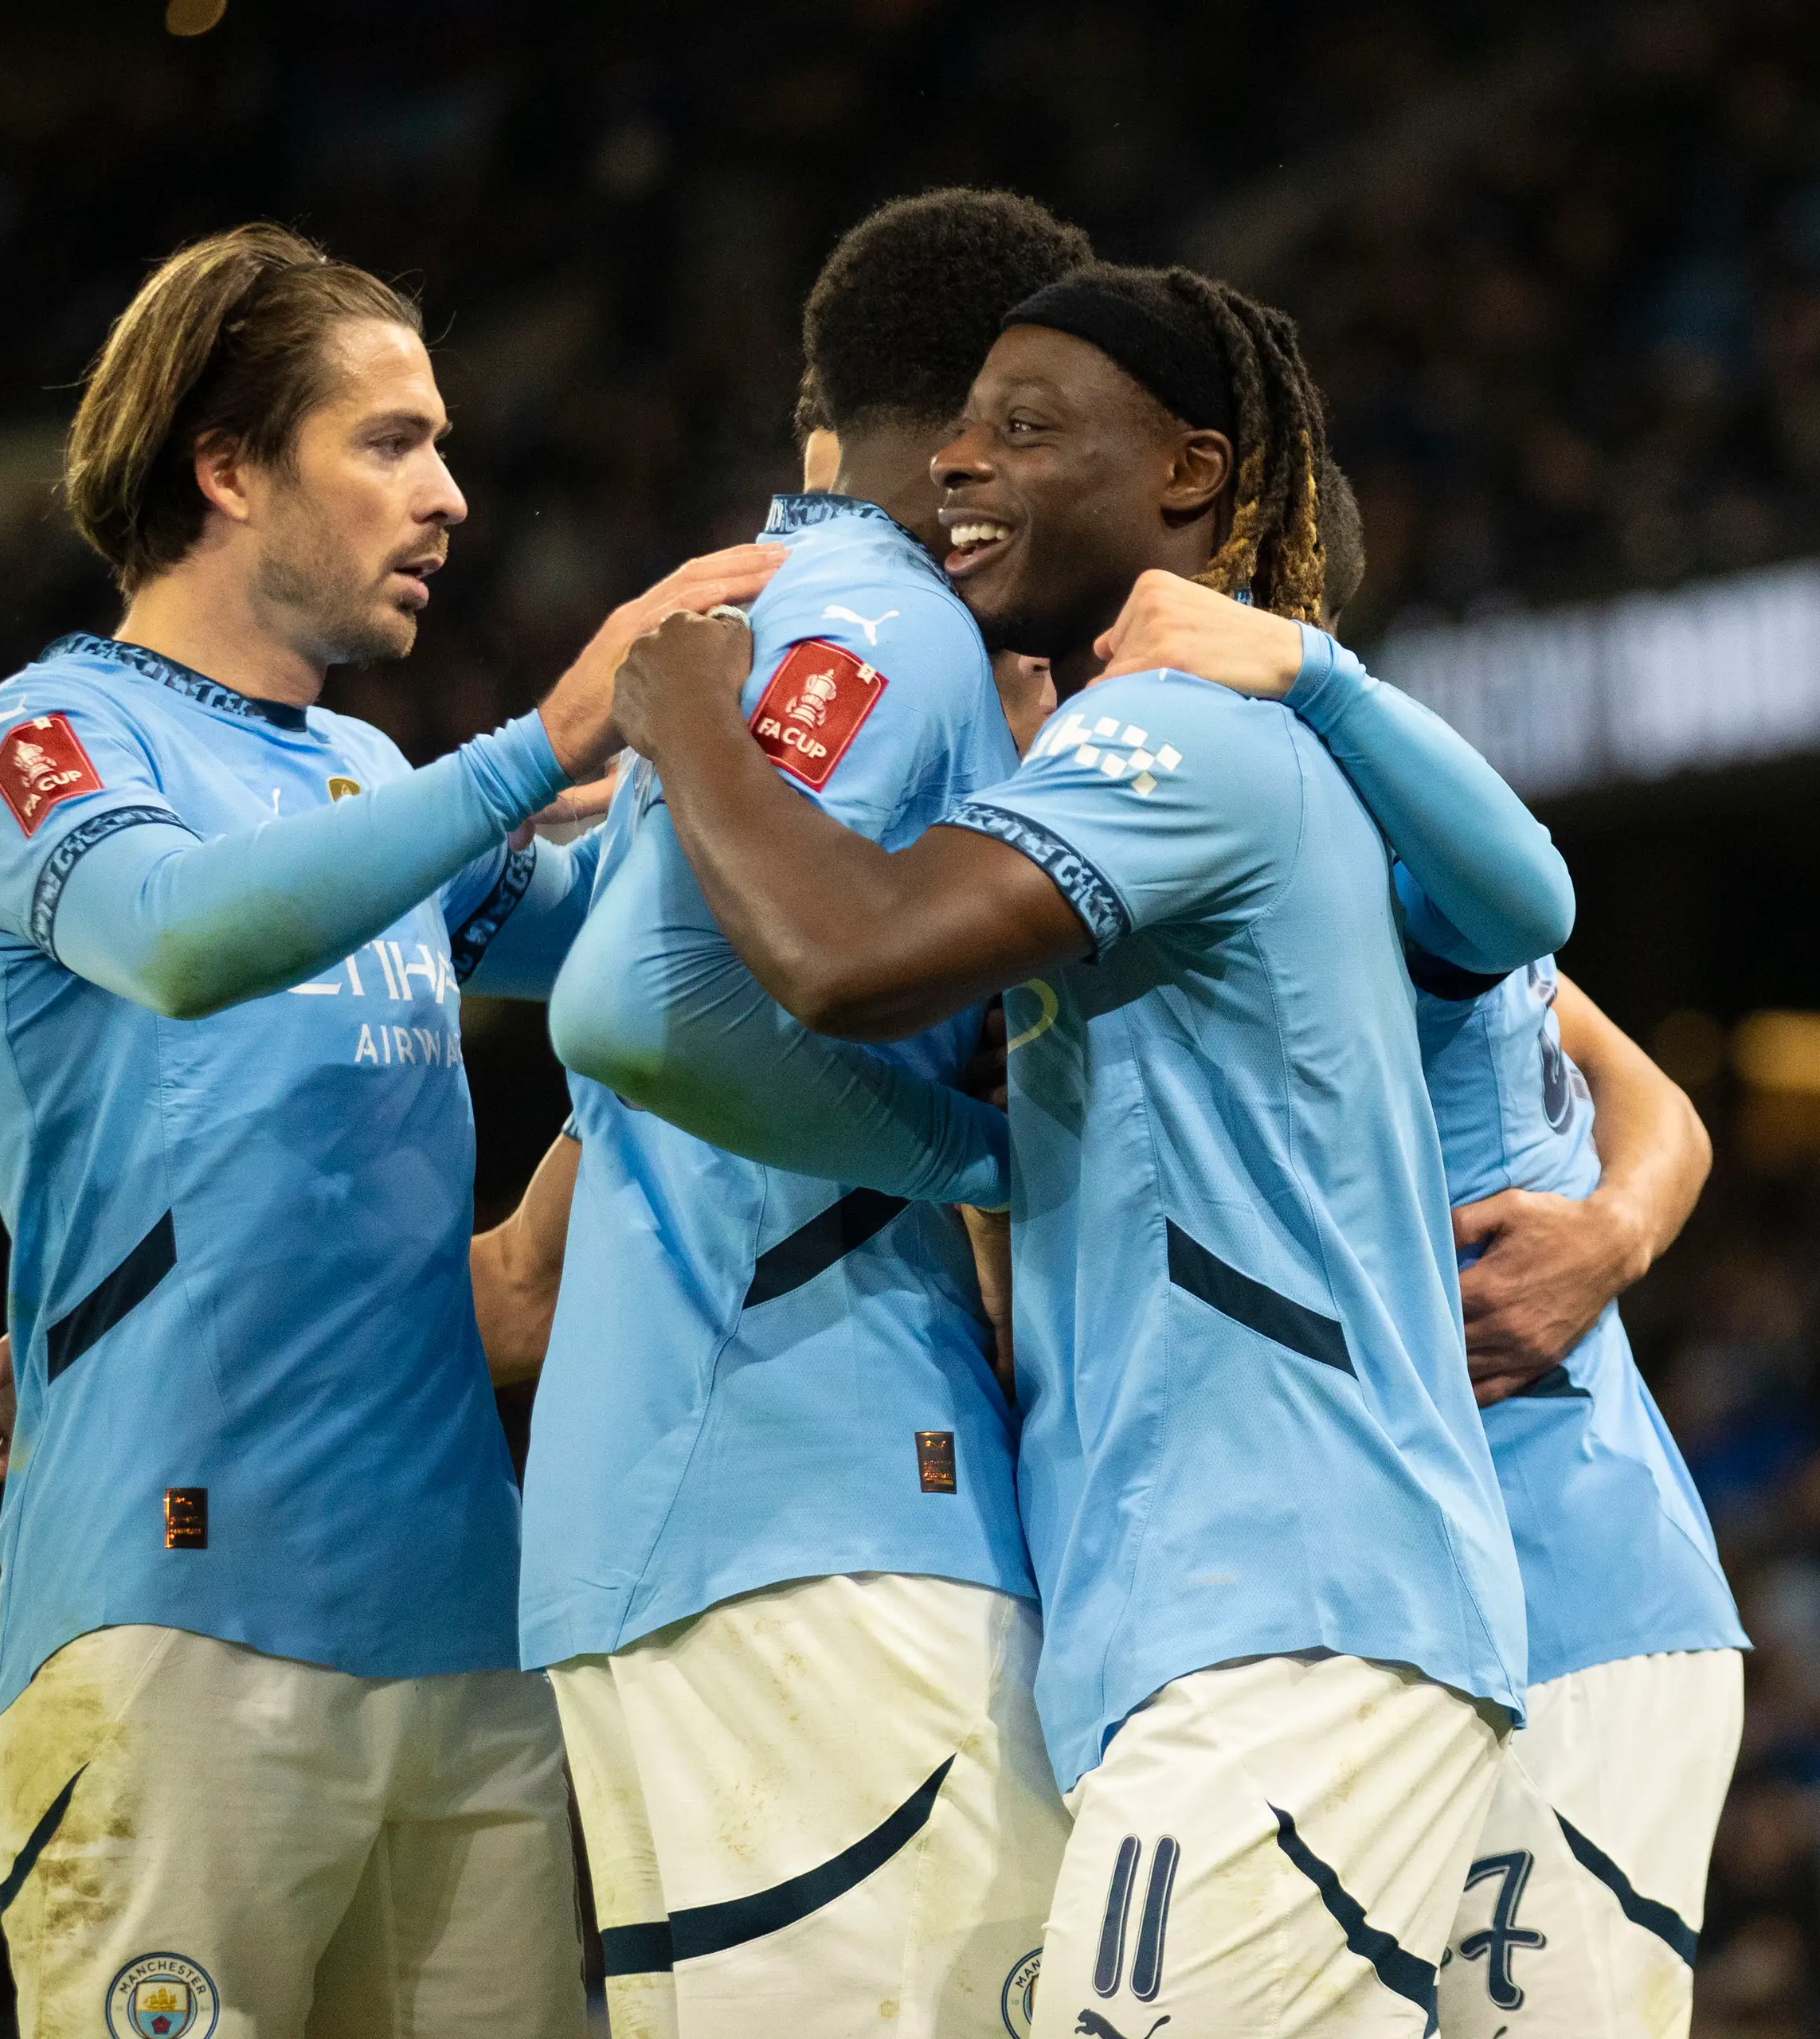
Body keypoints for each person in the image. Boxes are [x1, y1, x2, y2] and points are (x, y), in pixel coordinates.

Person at [606, 262, 1571, 2037]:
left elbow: (842, 951)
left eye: (1027, 429)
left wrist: (690, 731)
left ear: (1192, 474)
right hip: (1245, 1619)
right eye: (961, 424)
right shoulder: (1162, 750)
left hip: (1292, 1616)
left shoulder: (1185, 727)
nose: (962, 463)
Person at [0, 222, 779, 2038]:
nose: (450, 492)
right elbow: (186, 934)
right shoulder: (37, 742)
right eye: (389, 440)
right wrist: (538, 745)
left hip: (470, 1636)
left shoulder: (368, 784)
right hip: (176, 1616)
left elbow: (659, 952)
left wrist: (812, 744)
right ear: (226, 465)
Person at [522, 188, 1094, 2039]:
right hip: (817, 1507)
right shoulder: (892, 624)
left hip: (678, 1519)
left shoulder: (772, 618)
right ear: (988, 435)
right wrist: (988, 1151)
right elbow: (646, 999)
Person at [1093, 576, 1752, 2039]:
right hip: (1348, 1607)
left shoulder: (1349, 854)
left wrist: (1610, 1235)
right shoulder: (1163, 860)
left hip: (1554, 1582)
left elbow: (1627, 1065)